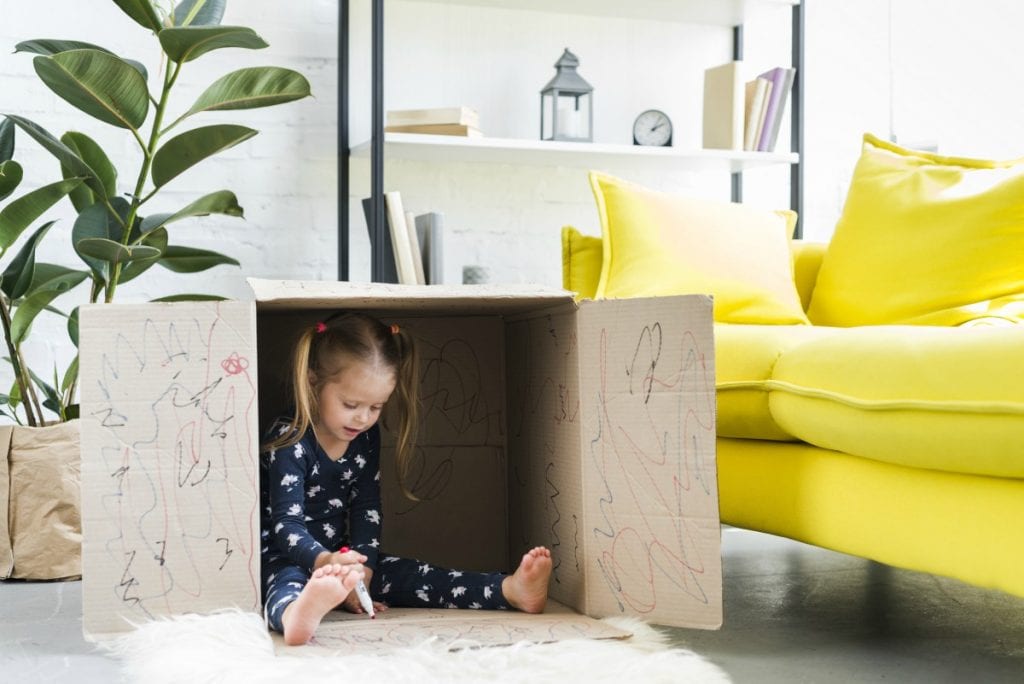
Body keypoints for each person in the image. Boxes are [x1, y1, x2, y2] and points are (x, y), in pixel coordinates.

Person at [260, 312, 552, 645]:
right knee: (282, 580)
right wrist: (325, 561)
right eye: (350, 403)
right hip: (289, 556)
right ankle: (297, 614)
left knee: (415, 575)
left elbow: (367, 507)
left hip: (345, 559)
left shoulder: (364, 437)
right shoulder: (291, 439)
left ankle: (510, 590)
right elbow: (286, 525)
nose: (363, 418)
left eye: (376, 407)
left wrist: (365, 571)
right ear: (313, 382)